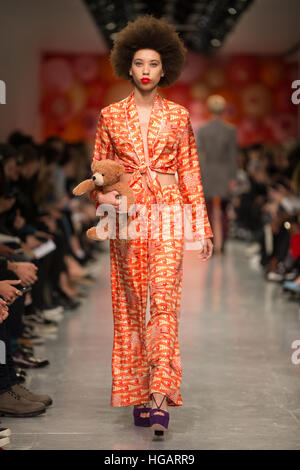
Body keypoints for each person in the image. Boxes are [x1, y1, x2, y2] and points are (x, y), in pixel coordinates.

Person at [89, 14, 213, 437]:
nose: (145, 71)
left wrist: (203, 226)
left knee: (164, 300)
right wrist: (100, 198)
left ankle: (160, 395)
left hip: (168, 212)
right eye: (139, 63)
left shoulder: (178, 116)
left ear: (166, 70)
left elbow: (191, 173)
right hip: (126, 218)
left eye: (154, 64)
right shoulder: (109, 116)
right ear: (128, 66)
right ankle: (139, 392)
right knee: (131, 305)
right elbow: (99, 171)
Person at [196, 95, 238, 254]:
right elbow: (233, 156)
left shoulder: (203, 130)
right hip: (224, 173)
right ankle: (224, 246)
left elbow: (199, 155)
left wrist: (198, 175)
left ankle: (211, 245)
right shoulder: (230, 130)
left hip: (207, 173)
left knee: (208, 213)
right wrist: (233, 177)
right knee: (224, 213)